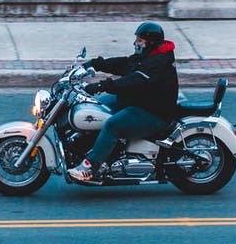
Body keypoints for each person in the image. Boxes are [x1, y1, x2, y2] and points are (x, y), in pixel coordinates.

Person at [67, 21, 178, 181]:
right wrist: (95, 64)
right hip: (141, 102)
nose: (136, 43)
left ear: (151, 42)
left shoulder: (157, 63)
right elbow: (126, 63)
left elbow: (133, 81)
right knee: (97, 105)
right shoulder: (150, 55)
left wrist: (101, 85)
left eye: (140, 40)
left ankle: (90, 167)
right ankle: (95, 146)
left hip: (153, 113)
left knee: (113, 125)